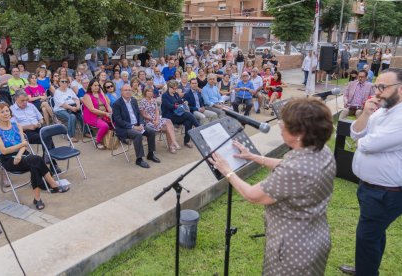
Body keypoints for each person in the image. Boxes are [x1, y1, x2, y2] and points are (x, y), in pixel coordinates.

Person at [209, 98, 335, 275]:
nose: (280, 125)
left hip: (293, 251)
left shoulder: (294, 170)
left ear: (300, 133)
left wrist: (227, 171)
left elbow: (253, 195)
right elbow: (285, 164)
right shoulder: (321, 150)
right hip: (316, 236)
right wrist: (254, 157)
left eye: (285, 123)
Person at [339, 68, 402, 276]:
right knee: (373, 235)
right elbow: (355, 132)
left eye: (383, 87)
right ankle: (367, 267)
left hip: (386, 192)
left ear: (400, 89)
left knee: (367, 236)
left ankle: (366, 272)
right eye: (377, 86)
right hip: (369, 187)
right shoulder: (382, 110)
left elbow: (369, 144)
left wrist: (361, 142)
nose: (377, 91)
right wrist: (366, 113)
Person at [0, 103, 69, 210]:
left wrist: (19, 153)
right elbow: (4, 151)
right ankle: (53, 185)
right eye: (2, 112)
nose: (5, 113)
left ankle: (38, 198)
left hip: (22, 155)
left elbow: (24, 144)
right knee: (35, 160)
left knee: (34, 162)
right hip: (9, 160)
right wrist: (21, 146)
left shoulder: (16, 125)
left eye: (7, 111)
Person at [112, 84, 160, 168]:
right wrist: (133, 127)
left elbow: (139, 114)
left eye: (129, 90)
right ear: (121, 92)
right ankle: (139, 159)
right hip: (125, 128)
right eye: (125, 90)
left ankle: (151, 154)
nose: (128, 92)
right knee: (137, 135)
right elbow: (118, 120)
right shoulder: (117, 104)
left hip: (137, 125)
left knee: (151, 131)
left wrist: (141, 124)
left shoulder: (133, 100)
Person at [10, 90, 60, 171]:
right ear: (16, 99)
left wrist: (39, 123)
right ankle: (52, 164)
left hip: (38, 127)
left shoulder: (31, 106)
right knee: (46, 138)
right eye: (22, 100)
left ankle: (47, 159)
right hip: (25, 133)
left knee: (48, 135)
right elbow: (14, 128)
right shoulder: (11, 110)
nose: (25, 102)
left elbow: (40, 118)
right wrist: (28, 127)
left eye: (26, 100)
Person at [139, 86, 180, 153]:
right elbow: (143, 114)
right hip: (148, 121)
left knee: (168, 121)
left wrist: (157, 119)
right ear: (145, 92)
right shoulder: (142, 101)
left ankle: (173, 143)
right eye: (148, 91)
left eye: (151, 91)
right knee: (167, 128)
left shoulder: (153, 100)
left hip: (156, 119)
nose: (150, 93)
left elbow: (157, 111)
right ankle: (172, 145)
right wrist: (153, 120)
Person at [161, 80, 199, 148]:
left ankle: (186, 141)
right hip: (169, 117)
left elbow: (180, 102)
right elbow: (169, 106)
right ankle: (198, 127)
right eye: (174, 88)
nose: (175, 90)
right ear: (169, 87)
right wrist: (177, 106)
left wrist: (184, 103)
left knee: (188, 122)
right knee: (187, 114)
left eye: (176, 88)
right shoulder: (165, 96)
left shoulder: (176, 94)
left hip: (178, 114)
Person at [83, 79, 112, 150]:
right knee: (105, 126)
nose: (97, 87)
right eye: (95, 85)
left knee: (117, 121)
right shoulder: (87, 96)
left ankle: (118, 138)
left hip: (104, 115)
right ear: (90, 86)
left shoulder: (100, 94)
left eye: (98, 85)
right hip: (92, 116)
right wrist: (105, 113)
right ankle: (98, 141)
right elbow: (92, 109)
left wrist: (110, 110)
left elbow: (107, 104)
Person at [52, 77, 84, 142]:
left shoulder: (70, 90)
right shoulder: (57, 92)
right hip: (60, 110)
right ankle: (71, 136)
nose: (64, 83)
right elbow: (62, 104)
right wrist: (72, 108)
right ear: (59, 83)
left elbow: (76, 99)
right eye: (62, 81)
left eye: (66, 81)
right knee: (72, 117)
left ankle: (86, 132)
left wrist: (77, 105)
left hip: (73, 107)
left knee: (83, 115)